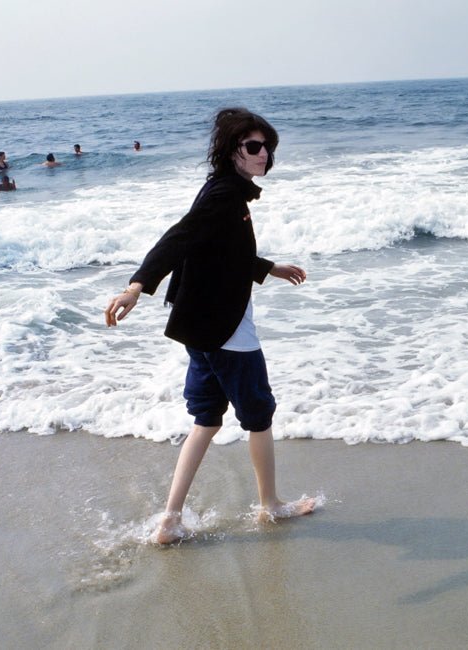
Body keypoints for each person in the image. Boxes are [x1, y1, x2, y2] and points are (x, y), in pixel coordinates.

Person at [104, 108, 317, 545]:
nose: (264, 155)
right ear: (232, 150)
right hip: (228, 332)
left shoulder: (222, 191)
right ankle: (271, 505)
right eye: (254, 147)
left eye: (268, 147)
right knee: (258, 416)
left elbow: (220, 251)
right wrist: (136, 286)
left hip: (200, 328)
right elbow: (179, 237)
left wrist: (268, 268)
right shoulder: (224, 195)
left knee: (206, 421)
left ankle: (169, 520)